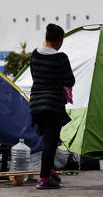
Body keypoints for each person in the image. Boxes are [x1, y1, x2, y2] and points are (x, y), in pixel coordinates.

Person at [29, 24, 75, 190]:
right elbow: (70, 80)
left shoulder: (34, 54)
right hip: (53, 104)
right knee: (51, 142)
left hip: (35, 104)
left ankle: (51, 171)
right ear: (59, 40)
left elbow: (35, 75)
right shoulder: (60, 57)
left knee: (48, 141)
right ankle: (43, 178)